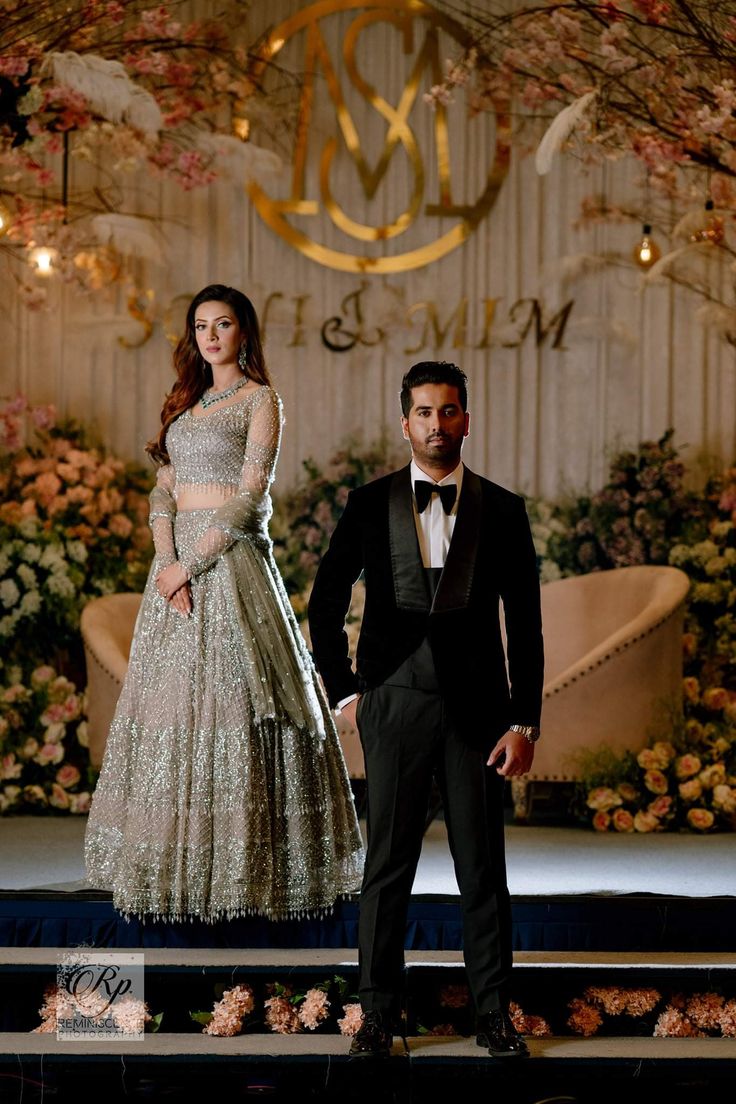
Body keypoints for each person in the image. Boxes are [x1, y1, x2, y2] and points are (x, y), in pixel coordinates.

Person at [85, 284, 364, 922]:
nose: (212, 336)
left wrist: (192, 561)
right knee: (173, 715)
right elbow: (163, 490)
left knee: (238, 706)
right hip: (175, 579)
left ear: (244, 333)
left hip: (230, 567)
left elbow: (248, 498)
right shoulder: (186, 404)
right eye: (202, 326)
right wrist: (166, 564)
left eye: (225, 324)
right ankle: (174, 869)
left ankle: (247, 873)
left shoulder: (260, 399)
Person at [308, 361, 544, 1058]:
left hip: (480, 712)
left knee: (483, 867)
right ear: (404, 421)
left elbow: (524, 626)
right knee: (386, 866)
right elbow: (325, 603)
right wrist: (346, 689)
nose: (436, 425)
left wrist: (524, 721)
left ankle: (494, 1014)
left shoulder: (503, 509)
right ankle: (378, 1014)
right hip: (394, 701)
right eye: (423, 412)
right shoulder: (368, 502)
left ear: (466, 419)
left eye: (448, 412)